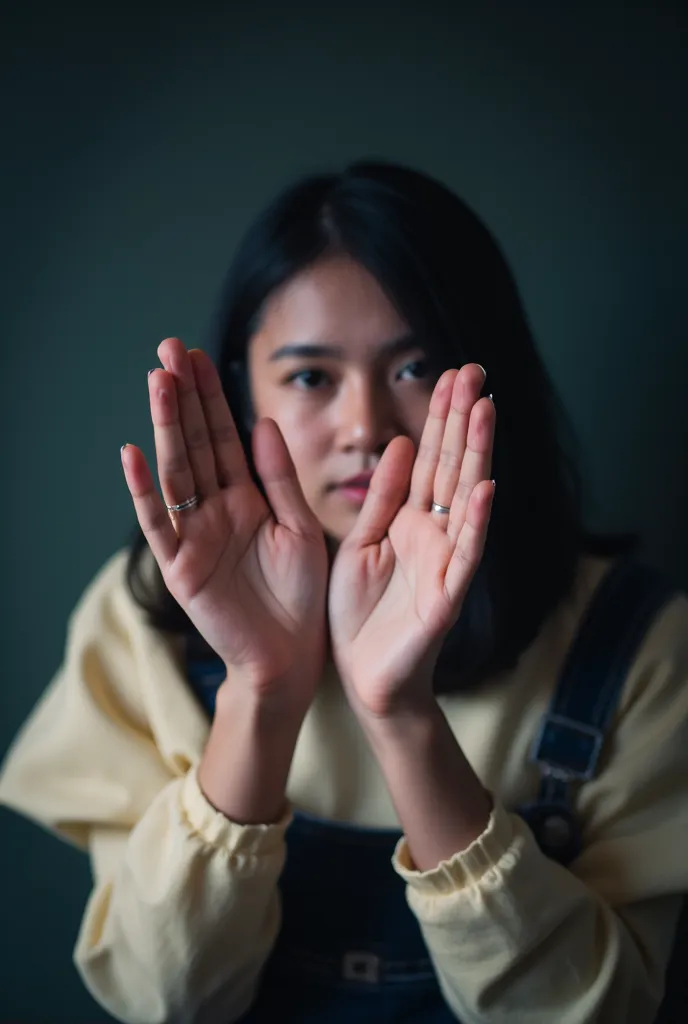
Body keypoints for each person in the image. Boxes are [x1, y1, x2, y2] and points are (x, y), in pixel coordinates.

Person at [0, 160, 686, 1024]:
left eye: (415, 367)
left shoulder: (637, 645)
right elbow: (160, 1000)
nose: (364, 427)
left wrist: (399, 713)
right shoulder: (140, 621)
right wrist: (264, 689)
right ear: (243, 387)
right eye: (311, 377)